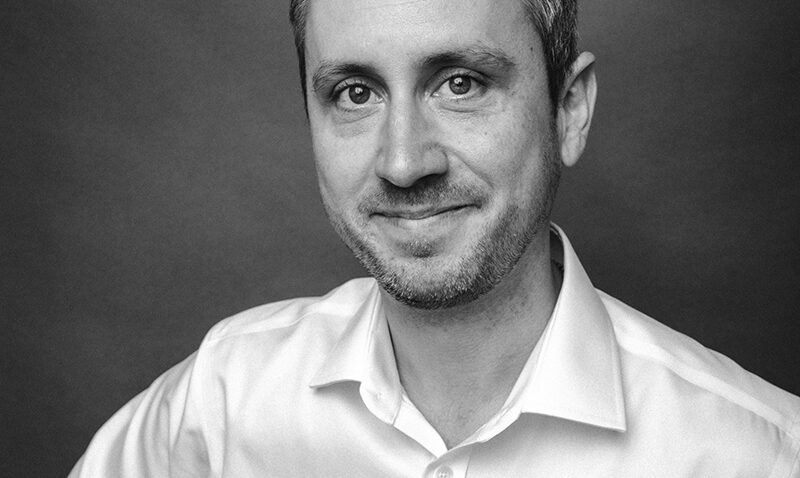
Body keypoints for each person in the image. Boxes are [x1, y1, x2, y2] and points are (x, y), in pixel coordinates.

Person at [70, 0, 800, 476]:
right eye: (355, 93)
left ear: (569, 110)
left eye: (460, 83)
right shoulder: (222, 405)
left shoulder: (757, 453)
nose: (402, 161)